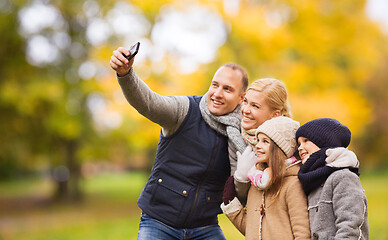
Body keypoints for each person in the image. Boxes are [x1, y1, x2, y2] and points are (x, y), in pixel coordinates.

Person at [109, 45, 248, 239]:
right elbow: (148, 102)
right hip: (159, 221)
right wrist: (126, 74)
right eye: (215, 85)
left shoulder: (243, 132)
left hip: (204, 226)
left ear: (242, 98)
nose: (217, 93)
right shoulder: (185, 110)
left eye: (227, 89)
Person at [221, 116, 311, 240]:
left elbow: (302, 233)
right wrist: (232, 208)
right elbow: (251, 230)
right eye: (258, 140)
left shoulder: (292, 184)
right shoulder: (257, 184)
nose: (257, 145)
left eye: (265, 141)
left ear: (280, 148)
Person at [296, 118, 369, 239]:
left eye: (306, 140)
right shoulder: (313, 180)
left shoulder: (343, 177)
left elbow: (350, 225)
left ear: (324, 142)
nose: (300, 147)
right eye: (299, 144)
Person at [233, 78, 292, 204]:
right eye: (245, 102)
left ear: (275, 115)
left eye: (255, 106)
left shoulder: (288, 141)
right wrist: (241, 178)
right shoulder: (235, 136)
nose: (245, 110)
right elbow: (241, 200)